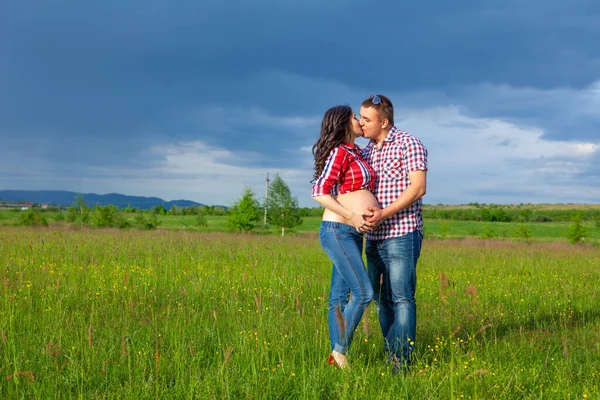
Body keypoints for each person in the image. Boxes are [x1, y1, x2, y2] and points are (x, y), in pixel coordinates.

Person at [358, 94, 428, 373]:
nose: (361, 123)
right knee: (380, 299)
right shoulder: (366, 151)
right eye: (360, 118)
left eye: (367, 119)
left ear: (384, 121)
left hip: (402, 232)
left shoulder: (408, 143)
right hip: (373, 237)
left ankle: (401, 362)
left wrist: (384, 214)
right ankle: (392, 352)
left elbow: (418, 187)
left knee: (401, 297)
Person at [311, 105, 378, 368]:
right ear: (343, 123)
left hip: (351, 233)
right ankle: (339, 353)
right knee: (363, 292)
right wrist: (351, 216)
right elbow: (319, 191)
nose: (360, 121)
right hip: (338, 230)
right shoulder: (340, 151)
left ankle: (335, 358)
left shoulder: (356, 151)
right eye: (355, 117)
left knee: (338, 299)